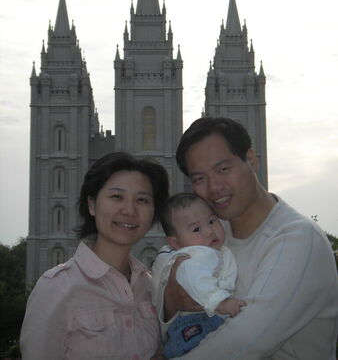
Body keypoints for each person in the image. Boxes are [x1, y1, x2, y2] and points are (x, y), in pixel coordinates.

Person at [160, 117, 338, 359]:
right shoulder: (212, 231)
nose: (214, 188)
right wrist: (170, 301)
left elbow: (245, 343)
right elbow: (165, 280)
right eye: (199, 179)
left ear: (251, 160)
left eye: (223, 169)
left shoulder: (298, 239)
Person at [20, 152, 169, 360]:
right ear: (92, 205)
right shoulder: (56, 288)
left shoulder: (152, 287)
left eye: (142, 200)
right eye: (117, 196)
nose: (129, 210)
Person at [152, 192, 245, 358]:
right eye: (196, 229)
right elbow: (196, 279)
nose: (209, 231)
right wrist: (221, 302)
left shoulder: (216, 250)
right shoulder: (193, 256)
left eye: (211, 221)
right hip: (195, 324)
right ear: (176, 243)